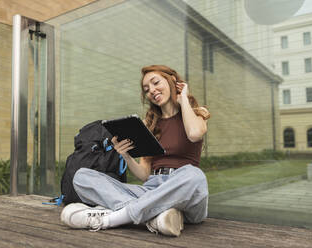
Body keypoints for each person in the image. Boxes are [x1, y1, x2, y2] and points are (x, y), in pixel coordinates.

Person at [60, 65, 210, 237]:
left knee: (195, 176)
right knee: (81, 177)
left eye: (155, 83)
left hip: (185, 193)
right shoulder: (150, 125)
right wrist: (125, 155)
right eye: (147, 89)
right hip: (152, 189)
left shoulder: (196, 114)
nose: (152, 91)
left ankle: (112, 218)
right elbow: (145, 175)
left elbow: (194, 133)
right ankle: (156, 217)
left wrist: (183, 98)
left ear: (172, 81)